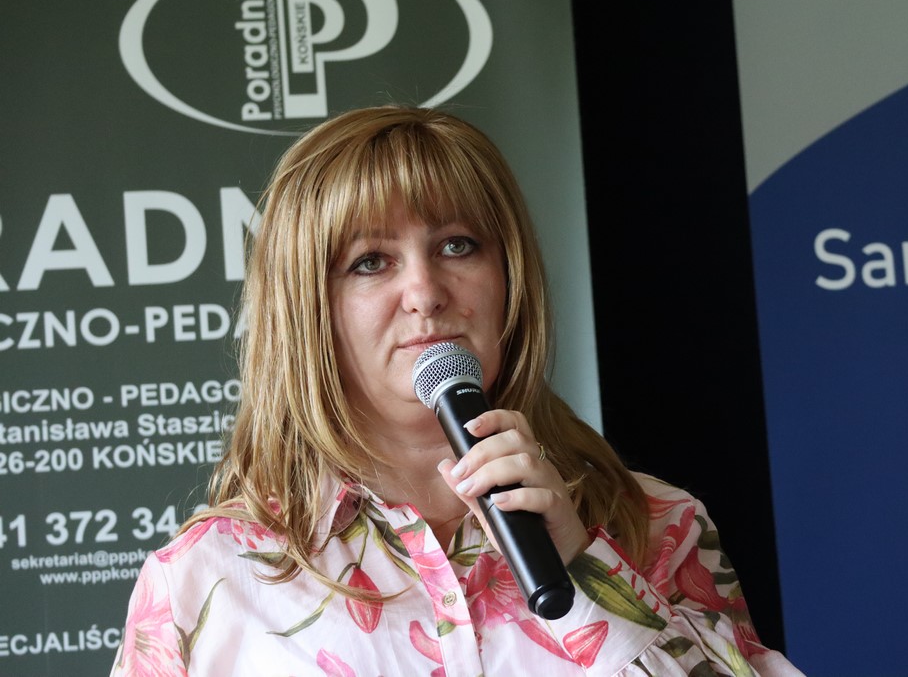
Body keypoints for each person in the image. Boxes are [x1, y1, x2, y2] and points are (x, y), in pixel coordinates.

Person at [109, 104, 804, 676]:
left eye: (457, 245)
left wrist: (585, 568)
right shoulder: (205, 578)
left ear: (509, 278)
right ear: (308, 309)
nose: (425, 292)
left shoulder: (658, 522)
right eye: (370, 261)